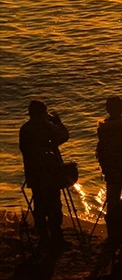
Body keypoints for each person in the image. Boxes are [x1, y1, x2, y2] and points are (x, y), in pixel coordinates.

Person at [19, 100, 70, 247]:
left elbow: (24, 149)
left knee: (39, 204)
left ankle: (43, 237)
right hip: (49, 171)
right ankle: (56, 236)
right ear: (43, 113)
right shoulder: (45, 125)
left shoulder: (25, 128)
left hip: (33, 172)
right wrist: (58, 122)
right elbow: (64, 136)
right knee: (54, 204)